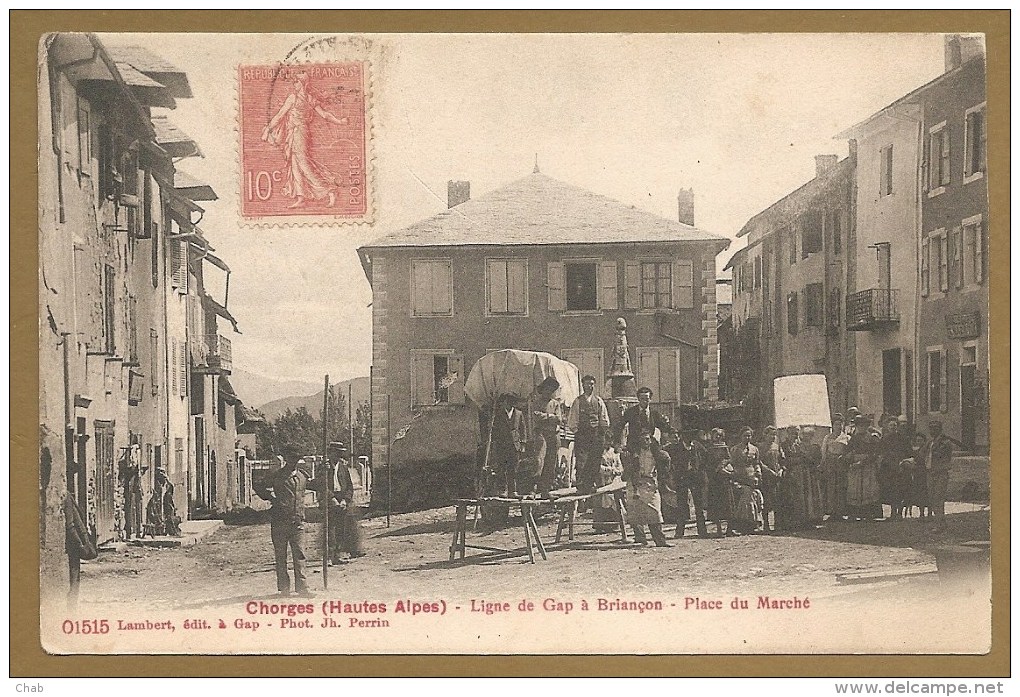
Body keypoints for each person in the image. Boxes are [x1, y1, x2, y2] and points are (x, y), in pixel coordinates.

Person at [260, 70, 347, 208]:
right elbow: (325, 115)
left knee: (303, 164)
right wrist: (340, 121)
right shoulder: (309, 99)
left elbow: (280, 115)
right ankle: (301, 198)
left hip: (299, 133)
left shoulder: (294, 98)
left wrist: (340, 121)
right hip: (296, 133)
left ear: (302, 83)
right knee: (294, 165)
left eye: (296, 81)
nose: (294, 84)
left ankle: (329, 190)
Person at [255, 455, 312, 597]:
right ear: (287, 460)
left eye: (296, 459)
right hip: (280, 521)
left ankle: (302, 588)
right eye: (291, 459)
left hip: (298, 520)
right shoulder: (277, 476)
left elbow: (317, 485)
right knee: (281, 556)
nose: (293, 462)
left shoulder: (302, 476)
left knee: (300, 554)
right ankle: (284, 588)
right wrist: (271, 498)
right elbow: (258, 485)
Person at [622, 430, 671, 547]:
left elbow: (665, 462)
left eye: (648, 439)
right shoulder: (634, 453)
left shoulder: (656, 453)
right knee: (635, 512)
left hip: (650, 484)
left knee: (654, 512)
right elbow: (627, 470)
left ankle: (660, 540)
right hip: (635, 484)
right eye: (644, 439)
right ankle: (640, 538)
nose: (646, 441)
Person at [567, 375, 611, 493]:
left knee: (594, 461)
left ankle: (590, 485)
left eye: (592, 384)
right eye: (587, 384)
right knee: (582, 460)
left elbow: (604, 418)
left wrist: (602, 432)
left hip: (596, 435)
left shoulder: (598, 401)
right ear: (583, 385)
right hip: (582, 435)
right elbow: (573, 419)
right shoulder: (578, 401)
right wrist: (578, 432)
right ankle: (581, 486)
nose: (589, 386)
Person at [666, 428, 710, 539]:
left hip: (695, 478)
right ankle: (679, 531)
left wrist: (700, 469)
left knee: (698, 505)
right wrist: (674, 472)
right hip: (682, 479)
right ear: (683, 437)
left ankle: (702, 531)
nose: (690, 439)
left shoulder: (697, 446)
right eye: (688, 436)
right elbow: (666, 456)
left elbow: (706, 456)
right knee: (681, 505)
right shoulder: (675, 447)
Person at [527, 377, 565, 497]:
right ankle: (533, 489)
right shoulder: (536, 402)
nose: (549, 392)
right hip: (541, 434)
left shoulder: (555, 404)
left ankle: (545, 490)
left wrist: (547, 417)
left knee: (550, 463)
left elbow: (559, 419)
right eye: (547, 389)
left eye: (551, 390)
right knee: (539, 461)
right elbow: (536, 416)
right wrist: (550, 416)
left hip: (553, 436)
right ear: (542, 389)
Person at [332, 442, 371, 559]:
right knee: (333, 528)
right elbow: (322, 486)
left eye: (340, 453)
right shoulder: (324, 468)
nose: (339, 456)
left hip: (343, 498)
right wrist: (332, 499)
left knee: (349, 523)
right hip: (330, 499)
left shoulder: (343, 468)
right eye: (336, 453)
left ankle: (353, 549)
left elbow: (349, 487)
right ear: (330, 453)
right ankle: (333, 554)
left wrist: (345, 499)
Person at [924, 421, 961, 533]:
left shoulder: (945, 443)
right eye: (930, 428)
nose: (932, 431)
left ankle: (939, 525)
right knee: (932, 498)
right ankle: (941, 522)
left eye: (935, 428)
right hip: (930, 472)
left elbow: (941, 456)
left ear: (939, 429)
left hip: (940, 473)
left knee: (938, 498)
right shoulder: (930, 442)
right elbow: (922, 453)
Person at [618, 387, 674, 455]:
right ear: (638, 399)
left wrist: (673, 433)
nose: (644, 401)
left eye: (647, 399)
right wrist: (618, 443)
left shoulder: (654, 413)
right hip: (634, 446)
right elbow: (619, 426)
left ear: (650, 399)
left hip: (650, 445)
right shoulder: (631, 412)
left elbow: (664, 426)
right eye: (642, 399)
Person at [729, 427, 764, 535]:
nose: (747, 438)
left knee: (753, 495)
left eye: (749, 435)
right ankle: (743, 524)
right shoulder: (735, 449)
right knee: (746, 495)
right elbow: (731, 463)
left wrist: (758, 473)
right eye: (745, 435)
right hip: (739, 477)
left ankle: (751, 524)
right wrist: (733, 476)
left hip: (751, 477)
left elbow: (756, 463)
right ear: (741, 436)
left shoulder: (754, 449)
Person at [846, 422, 883, 520]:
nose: (861, 428)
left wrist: (865, 461)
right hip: (856, 466)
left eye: (863, 426)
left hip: (868, 466)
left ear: (867, 427)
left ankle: (869, 513)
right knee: (855, 489)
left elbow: (876, 452)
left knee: (868, 489)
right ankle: (855, 513)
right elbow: (848, 451)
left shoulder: (872, 438)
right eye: (859, 426)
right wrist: (851, 459)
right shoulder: (854, 438)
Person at [879, 417, 913, 520]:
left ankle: (900, 512)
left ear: (897, 427)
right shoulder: (884, 439)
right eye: (890, 425)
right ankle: (893, 513)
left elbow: (909, 452)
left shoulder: (903, 438)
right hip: (889, 468)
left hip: (901, 467)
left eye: (894, 425)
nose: (892, 427)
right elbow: (881, 452)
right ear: (887, 427)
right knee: (892, 490)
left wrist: (904, 461)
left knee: (901, 490)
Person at [705, 428, 735, 537]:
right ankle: (718, 529)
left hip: (724, 479)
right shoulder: (709, 448)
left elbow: (729, 458)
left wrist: (723, 465)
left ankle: (729, 529)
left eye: (719, 435)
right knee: (717, 505)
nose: (717, 437)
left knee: (728, 503)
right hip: (715, 479)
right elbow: (707, 462)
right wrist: (716, 469)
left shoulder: (724, 447)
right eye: (715, 435)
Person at [820, 416, 849, 521]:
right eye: (836, 424)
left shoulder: (846, 437)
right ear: (833, 425)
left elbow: (848, 452)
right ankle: (831, 512)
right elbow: (824, 452)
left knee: (841, 488)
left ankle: (840, 512)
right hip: (830, 465)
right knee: (831, 488)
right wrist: (823, 464)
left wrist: (844, 458)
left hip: (841, 465)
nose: (838, 426)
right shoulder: (827, 437)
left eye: (840, 424)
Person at [593, 438, 625, 533]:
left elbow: (619, 465)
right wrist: (610, 470)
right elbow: (596, 466)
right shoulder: (597, 452)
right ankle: (600, 526)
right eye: (605, 442)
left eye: (609, 442)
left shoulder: (614, 452)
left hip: (613, 480)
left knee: (614, 502)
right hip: (601, 480)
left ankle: (614, 524)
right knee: (601, 501)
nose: (607, 444)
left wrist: (618, 470)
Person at [757, 425, 785, 533]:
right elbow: (759, 462)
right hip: (766, 477)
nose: (773, 437)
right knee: (767, 501)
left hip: (777, 477)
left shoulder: (777, 446)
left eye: (774, 435)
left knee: (778, 500)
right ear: (765, 435)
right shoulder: (760, 447)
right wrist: (770, 471)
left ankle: (778, 524)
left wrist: (781, 470)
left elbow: (782, 460)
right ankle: (766, 525)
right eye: (770, 434)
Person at [145, 466, 181, 537]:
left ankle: (168, 529)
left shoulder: (168, 485)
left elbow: (170, 490)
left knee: (169, 514)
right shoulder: (157, 485)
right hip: (159, 504)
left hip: (167, 502)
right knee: (161, 515)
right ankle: (160, 529)